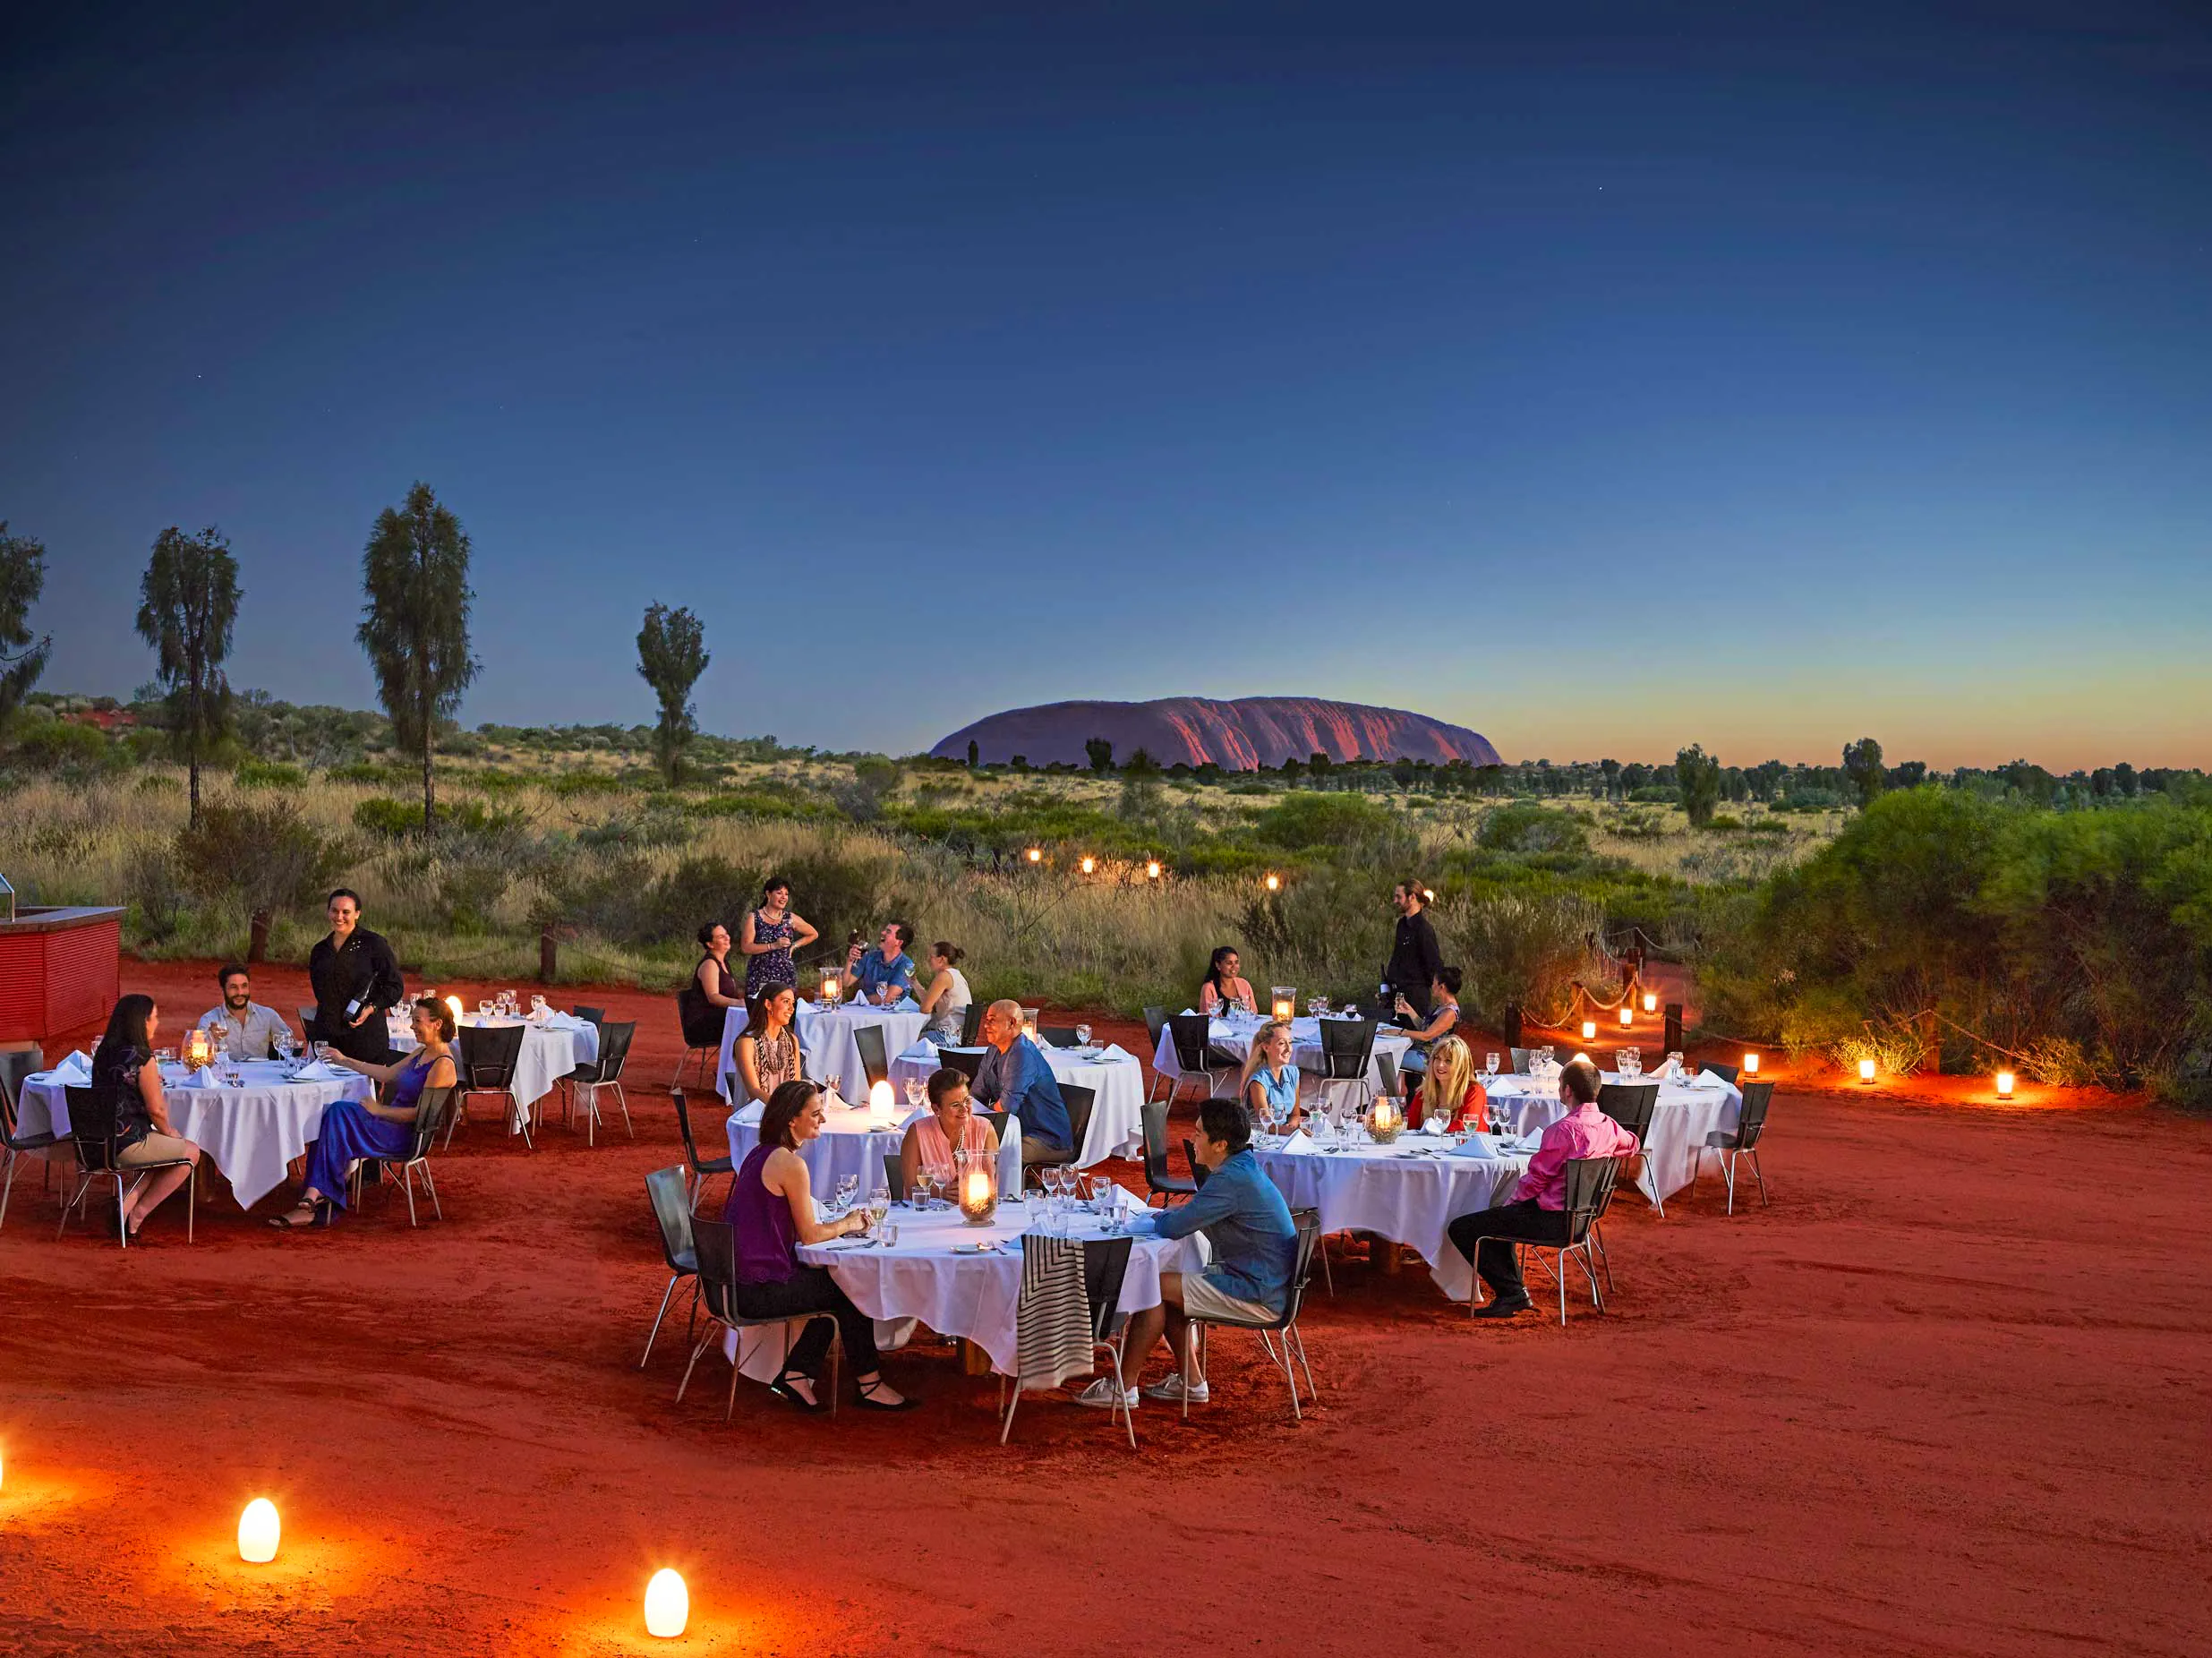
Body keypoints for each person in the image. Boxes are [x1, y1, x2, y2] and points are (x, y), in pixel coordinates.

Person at [1078, 1097, 1296, 1411]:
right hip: (1265, 1281)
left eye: (1198, 1133)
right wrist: (1171, 1216)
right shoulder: (1241, 1169)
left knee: (1150, 1284)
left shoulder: (1230, 1179)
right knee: (1170, 1288)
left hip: (1260, 1293)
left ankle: (1123, 1389)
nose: (1191, 1140)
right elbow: (1191, 1216)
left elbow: (1174, 1227)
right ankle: (1192, 1382)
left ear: (1220, 1144)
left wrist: (1157, 1216)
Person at [723, 1081, 913, 1412]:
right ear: (791, 1120)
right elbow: (809, 1236)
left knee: (837, 1287)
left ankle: (798, 1374)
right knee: (852, 1290)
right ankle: (869, 1385)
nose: (823, 1119)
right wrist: (849, 1223)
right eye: (815, 1113)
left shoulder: (759, 1153)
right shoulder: (790, 1164)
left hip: (731, 1280)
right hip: (757, 1289)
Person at [1445, 1056, 1638, 1318]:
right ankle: (1514, 1293)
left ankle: (1511, 1293)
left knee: (1463, 1227)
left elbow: (1536, 1180)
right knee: (1502, 1219)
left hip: (1551, 1221)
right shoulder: (1609, 1126)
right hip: (1583, 1218)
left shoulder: (1562, 1131)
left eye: (1560, 1084)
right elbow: (1634, 1144)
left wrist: (1510, 1203)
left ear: (1567, 1090)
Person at [270, 996, 457, 1229]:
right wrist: (345, 1060)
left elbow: (420, 1116)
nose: (412, 1026)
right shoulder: (422, 1053)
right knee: (333, 1114)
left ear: (437, 1024)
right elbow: (386, 1074)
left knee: (337, 1114)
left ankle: (313, 1199)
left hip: (402, 1136)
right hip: (386, 1125)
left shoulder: (443, 1065)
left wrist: (380, 1110)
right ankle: (314, 1196)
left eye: (417, 1020)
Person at [87, 995, 205, 1241]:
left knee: (162, 1155)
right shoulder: (142, 1058)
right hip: (127, 1143)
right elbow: (157, 1111)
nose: (157, 1023)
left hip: (96, 1143)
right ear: (141, 1022)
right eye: (154, 1018)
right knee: (190, 1153)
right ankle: (138, 1215)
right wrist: (170, 1132)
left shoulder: (104, 1053)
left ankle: (125, 1205)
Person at [307, 889, 405, 1064]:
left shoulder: (374, 944)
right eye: (334, 911)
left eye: (346, 912)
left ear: (357, 914)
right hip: (328, 1039)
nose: (339, 917)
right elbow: (320, 994)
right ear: (328, 912)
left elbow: (394, 987)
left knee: (365, 1092)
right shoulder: (320, 950)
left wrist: (371, 1008)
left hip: (365, 1040)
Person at [971, 999, 1073, 1167]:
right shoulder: (993, 1051)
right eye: (986, 1020)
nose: (985, 1025)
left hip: (1045, 1138)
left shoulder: (1022, 1055)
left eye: (992, 1020)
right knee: (967, 1147)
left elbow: (1006, 1109)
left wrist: (976, 1118)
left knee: (999, 1156)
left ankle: (1009, 1192)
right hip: (1016, 1131)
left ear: (1011, 1023)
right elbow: (976, 1096)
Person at [897, 1066, 1000, 1192]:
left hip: (973, 1208)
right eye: (955, 1105)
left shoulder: (985, 1129)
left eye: (967, 1100)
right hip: (928, 1210)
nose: (965, 1109)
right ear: (936, 1109)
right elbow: (911, 1187)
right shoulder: (917, 1133)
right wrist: (942, 1193)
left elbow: (991, 1185)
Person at [739, 875, 818, 998]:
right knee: (760, 1011)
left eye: (786, 894)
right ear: (768, 894)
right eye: (779, 893)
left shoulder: (789, 918)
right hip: (760, 972)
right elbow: (746, 947)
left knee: (785, 1010)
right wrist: (773, 945)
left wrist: (794, 946)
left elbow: (813, 933)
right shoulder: (755, 917)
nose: (784, 897)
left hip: (785, 973)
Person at [198, 962, 293, 1060]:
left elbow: (290, 1044)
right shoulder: (209, 1020)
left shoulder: (268, 1016)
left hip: (260, 1074)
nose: (240, 992)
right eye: (233, 987)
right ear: (223, 989)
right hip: (225, 1074)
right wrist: (209, 1040)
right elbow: (197, 1058)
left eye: (244, 986)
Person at [1395, 966, 1465, 1091]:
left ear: (1441, 986)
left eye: (1434, 983)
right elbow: (1426, 1028)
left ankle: (1391, 1098)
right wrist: (1410, 1011)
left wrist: (1400, 1032)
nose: (1432, 986)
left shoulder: (1449, 1012)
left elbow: (1426, 1035)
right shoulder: (1443, 1007)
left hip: (1431, 1057)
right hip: (1424, 1052)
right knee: (1389, 1056)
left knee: (1389, 1059)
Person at [679, 921, 744, 1053]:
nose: (727, 938)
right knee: (747, 1026)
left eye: (726, 934)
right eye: (720, 937)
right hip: (703, 1024)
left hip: (720, 1017)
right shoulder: (710, 964)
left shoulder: (724, 962)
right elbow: (713, 997)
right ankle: (732, 1070)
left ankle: (736, 1068)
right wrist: (739, 1003)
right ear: (710, 944)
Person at [1383, 880, 1444, 1021]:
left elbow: (1433, 964)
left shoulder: (1424, 929)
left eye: (1399, 897)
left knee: (1413, 1039)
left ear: (1412, 897)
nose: (1395, 900)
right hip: (1397, 995)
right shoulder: (1402, 924)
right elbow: (1397, 957)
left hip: (1415, 998)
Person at [734, 985, 804, 1107]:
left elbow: (795, 1085)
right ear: (768, 1004)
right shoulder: (746, 1043)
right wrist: (783, 1108)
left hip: (784, 1113)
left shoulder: (792, 1040)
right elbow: (754, 1092)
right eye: (786, 1002)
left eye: (793, 1003)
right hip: (754, 1114)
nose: (792, 1008)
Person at [1238, 1019, 1303, 1131]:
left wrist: (1291, 1128)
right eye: (1282, 1043)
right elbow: (1267, 1123)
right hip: (1261, 1137)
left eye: (1290, 1042)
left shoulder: (1293, 1073)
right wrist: (1290, 1132)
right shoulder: (1258, 1081)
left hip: (1284, 1134)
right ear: (1266, 1047)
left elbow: (1295, 1114)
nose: (1289, 1049)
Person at [1413, 1036, 1485, 1132]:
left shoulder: (1475, 1092)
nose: (1440, 1065)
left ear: (1461, 1066)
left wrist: (1434, 1129)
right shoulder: (1423, 1093)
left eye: (1448, 1061)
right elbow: (1411, 1127)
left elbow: (1467, 1125)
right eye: (1437, 1058)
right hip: (1425, 1147)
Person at [915, 941, 972, 1047]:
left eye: (931, 956)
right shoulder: (956, 975)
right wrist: (913, 982)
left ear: (942, 959)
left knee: (908, 1038)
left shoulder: (944, 977)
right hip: (957, 1034)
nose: (928, 960)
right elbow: (929, 1000)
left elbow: (925, 1008)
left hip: (947, 1037)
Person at [845, 921, 918, 1005]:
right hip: (866, 1013)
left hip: (892, 1016)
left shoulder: (907, 965)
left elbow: (887, 998)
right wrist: (850, 961)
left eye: (888, 932)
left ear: (899, 942)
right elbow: (846, 982)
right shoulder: (870, 956)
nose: (882, 933)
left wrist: (860, 1000)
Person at [1198, 946, 1256, 1016]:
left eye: (1236, 962)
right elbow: (1209, 1018)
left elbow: (1253, 1012)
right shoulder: (1209, 988)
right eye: (1229, 963)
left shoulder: (1244, 984)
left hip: (1244, 1026)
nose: (1234, 966)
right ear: (1218, 965)